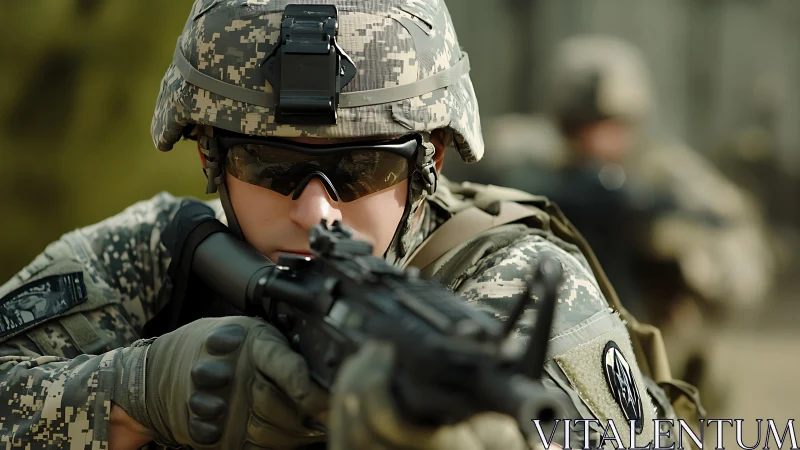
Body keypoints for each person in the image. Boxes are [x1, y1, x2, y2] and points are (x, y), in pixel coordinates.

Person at [0, 4, 699, 450]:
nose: (316, 211)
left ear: (430, 159)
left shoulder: (508, 284)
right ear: (210, 154)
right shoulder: (157, 254)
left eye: (360, 169)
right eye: (271, 166)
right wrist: (131, 396)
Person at [481, 35, 774, 413]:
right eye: (581, 125)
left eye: (612, 124)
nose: (598, 140)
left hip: (652, 359)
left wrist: (683, 255)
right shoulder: (526, 162)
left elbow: (745, 268)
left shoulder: (667, 177)